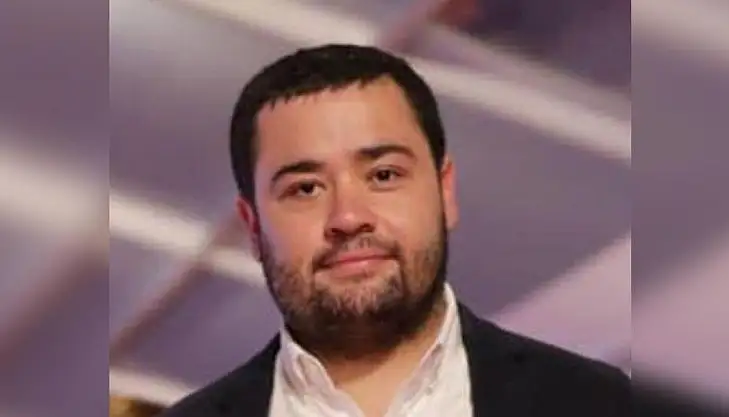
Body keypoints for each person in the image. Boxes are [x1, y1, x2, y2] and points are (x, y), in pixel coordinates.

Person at [161, 44, 629, 417]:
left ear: (445, 192)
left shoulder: (599, 404)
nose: (348, 217)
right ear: (252, 226)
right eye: (305, 189)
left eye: (383, 175)